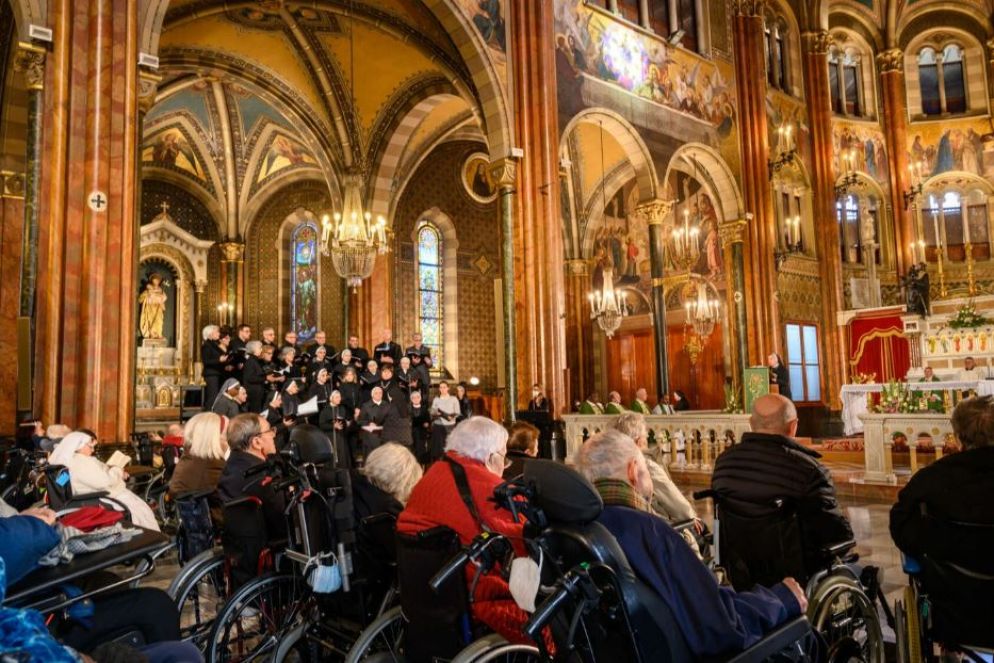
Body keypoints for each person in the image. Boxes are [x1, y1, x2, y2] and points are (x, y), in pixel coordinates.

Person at [575, 429, 811, 660]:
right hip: (691, 649)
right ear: (633, 471)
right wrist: (781, 598)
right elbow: (718, 626)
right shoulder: (649, 531)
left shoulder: (577, 531)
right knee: (806, 637)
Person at [398, 417, 533, 645]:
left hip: (424, 597)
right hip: (475, 601)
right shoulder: (488, 487)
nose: (505, 465)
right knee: (547, 626)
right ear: (492, 458)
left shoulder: (431, 475)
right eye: (504, 457)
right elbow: (523, 539)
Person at [711, 394, 853, 580]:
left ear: (751, 423)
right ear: (793, 426)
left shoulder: (724, 463)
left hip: (739, 573)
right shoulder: (808, 470)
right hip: (794, 578)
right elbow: (836, 534)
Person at [890, 396, 994, 647]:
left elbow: (901, 527)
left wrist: (933, 542)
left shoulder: (930, 480)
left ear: (957, 437)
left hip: (952, 608)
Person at [49, 432, 160, 531]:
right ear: (79, 446)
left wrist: (108, 468)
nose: (92, 450)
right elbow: (104, 482)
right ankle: (150, 540)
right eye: (90, 446)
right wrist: (117, 471)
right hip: (95, 497)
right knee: (141, 508)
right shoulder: (80, 461)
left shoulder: (67, 461)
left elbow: (61, 484)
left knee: (140, 506)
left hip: (82, 498)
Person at [217, 413, 286, 540]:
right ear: (256, 442)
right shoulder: (261, 477)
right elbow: (284, 522)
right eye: (270, 431)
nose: (273, 435)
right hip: (271, 548)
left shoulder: (230, 467)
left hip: (240, 546)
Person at [169, 412, 228, 498]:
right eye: (226, 435)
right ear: (214, 438)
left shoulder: (190, 456)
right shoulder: (212, 463)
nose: (229, 441)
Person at [318, 389, 354, 469]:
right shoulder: (325, 411)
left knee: (343, 458)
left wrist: (347, 424)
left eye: (340, 397)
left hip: (341, 437)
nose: (339, 399)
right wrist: (333, 426)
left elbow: (347, 420)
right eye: (337, 397)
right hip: (331, 437)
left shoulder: (342, 409)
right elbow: (322, 425)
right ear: (331, 399)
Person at [429, 381, 461, 461]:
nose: (442, 389)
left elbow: (458, 412)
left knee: (449, 445)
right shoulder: (436, 399)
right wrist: (435, 413)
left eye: (444, 387)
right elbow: (432, 412)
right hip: (438, 425)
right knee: (438, 448)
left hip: (450, 425)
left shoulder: (453, 399)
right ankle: (440, 464)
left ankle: (449, 462)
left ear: (448, 388)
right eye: (441, 387)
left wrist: (451, 417)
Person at [357, 386, 390, 457]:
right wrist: (369, 423)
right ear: (372, 395)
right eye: (376, 393)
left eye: (380, 393)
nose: (378, 395)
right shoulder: (366, 406)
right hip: (371, 437)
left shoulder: (387, 405)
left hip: (384, 435)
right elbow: (360, 421)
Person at [201, 325, 226, 409]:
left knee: (217, 398)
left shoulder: (214, 344)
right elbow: (206, 361)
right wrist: (219, 360)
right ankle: (208, 417)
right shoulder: (207, 345)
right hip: (211, 375)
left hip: (218, 373)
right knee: (212, 397)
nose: (219, 333)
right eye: (217, 331)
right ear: (210, 333)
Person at [242, 340, 267, 413]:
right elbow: (250, 378)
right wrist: (265, 378)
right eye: (260, 348)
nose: (261, 350)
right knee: (255, 412)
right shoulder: (251, 361)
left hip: (257, 392)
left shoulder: (255, 360)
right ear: (253, 350)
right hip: (253, 393)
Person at [409, 390, 432, 464]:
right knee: (412, 451)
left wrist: (427, 423)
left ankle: (421, 467)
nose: (416, 399)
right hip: (410, 434)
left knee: (421, 451)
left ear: (420, 398)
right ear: (411, 399)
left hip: (421, 433)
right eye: (414, 398)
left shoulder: (425, 409)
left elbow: (428, 420)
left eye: (417, 397)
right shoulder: (408, 410)